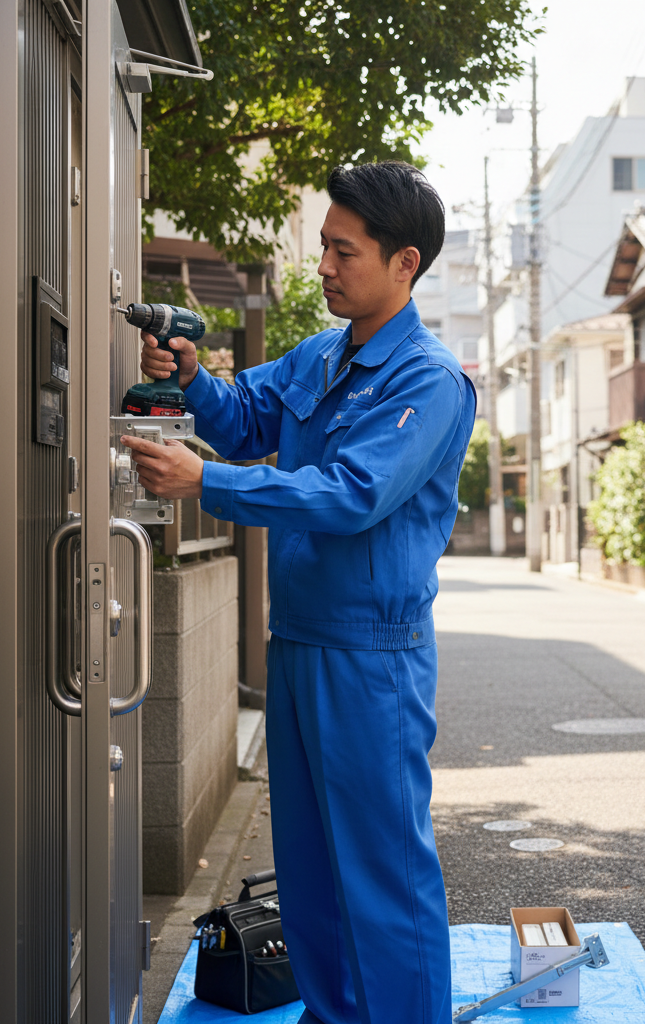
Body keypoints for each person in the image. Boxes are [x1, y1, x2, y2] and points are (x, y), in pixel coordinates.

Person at [122, 162, 476, 1023]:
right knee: (312, 865)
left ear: (406, 263)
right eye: (323, 246)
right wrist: (193, 376)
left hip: (371, 656)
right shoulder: (325, 353)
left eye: (342, 251)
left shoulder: (428, 379)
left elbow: (353, 494)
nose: (323, 265)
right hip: (302, 641)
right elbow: (245, 413)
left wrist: (206, 483)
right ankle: (332, 1011)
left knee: (383, 872)